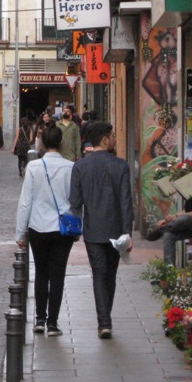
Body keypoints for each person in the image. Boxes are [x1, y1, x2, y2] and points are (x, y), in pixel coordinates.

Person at [70, 121, 134, 339]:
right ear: (105, 139)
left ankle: (104, 323)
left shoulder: (80, 167)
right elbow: (126, 202)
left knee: (99, 274)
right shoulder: (121, 165)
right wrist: (128, 232)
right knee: (110, 275)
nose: (115, 138)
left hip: (93, 230)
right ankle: (106, 318)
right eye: (113, 135)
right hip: (116, 230)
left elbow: (75, 201)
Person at [16, 123, 76, 336]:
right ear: (61, 143)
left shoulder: (33, 167)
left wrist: (20, 232)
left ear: (42, 142)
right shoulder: (70, 167)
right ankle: (53, 324)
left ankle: (39, 320)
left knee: (41, 273)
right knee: (58, 275)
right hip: (62, 230)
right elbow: (75, 201)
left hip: (38, 227)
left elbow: (25, 202)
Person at [146, 196, 192, 265]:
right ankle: (169, 271)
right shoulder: (190, 193)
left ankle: (162, 230)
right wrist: (171, 218)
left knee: (186, 218)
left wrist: (176, 217)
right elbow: (186, 211)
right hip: (191, 229)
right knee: (168, 235)